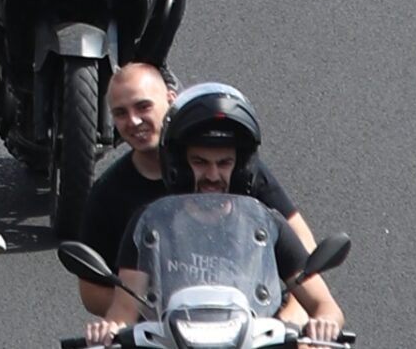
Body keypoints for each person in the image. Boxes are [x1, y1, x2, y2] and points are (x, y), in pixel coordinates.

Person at [82, 84, 346, 342]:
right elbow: (124, 311)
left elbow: (326, 306)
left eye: (224, 163)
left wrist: (323, 323)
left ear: (240, 168)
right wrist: (109, 329)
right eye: (199, 162)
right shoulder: (149, 226)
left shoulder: (266, 226)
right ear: (179, 166)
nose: (212, 175)